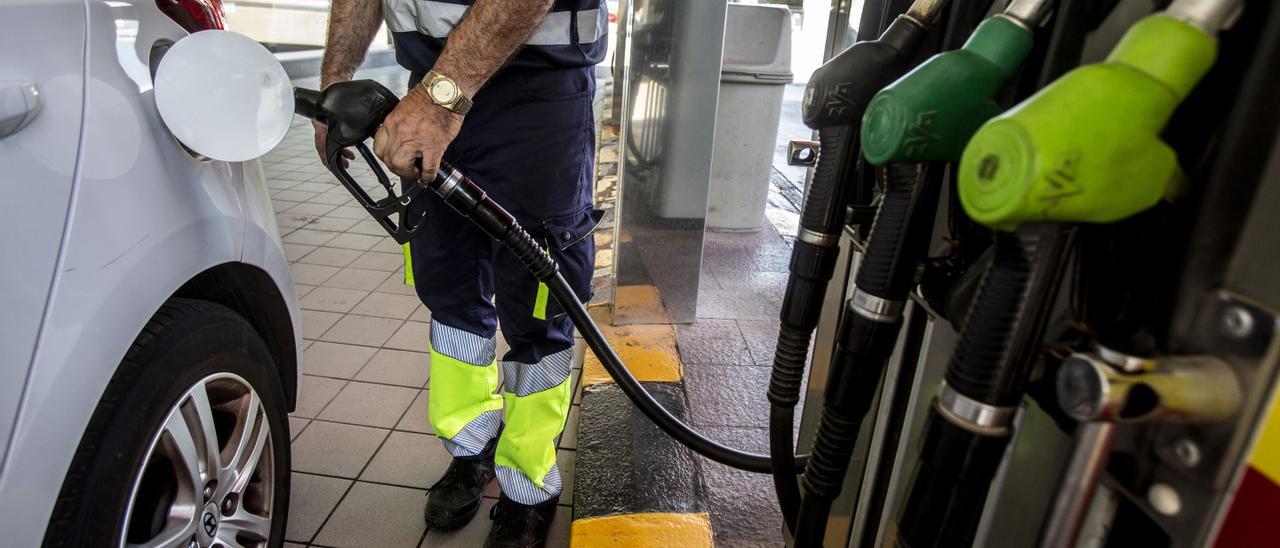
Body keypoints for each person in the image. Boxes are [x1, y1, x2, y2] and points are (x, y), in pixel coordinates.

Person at [315, 0, 606, 545]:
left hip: (536, 95)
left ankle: (528, 483)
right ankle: (472, 446)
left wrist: (439, 100)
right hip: (430, 91)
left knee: (539, 310)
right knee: (449, 293)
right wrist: (335, 83)